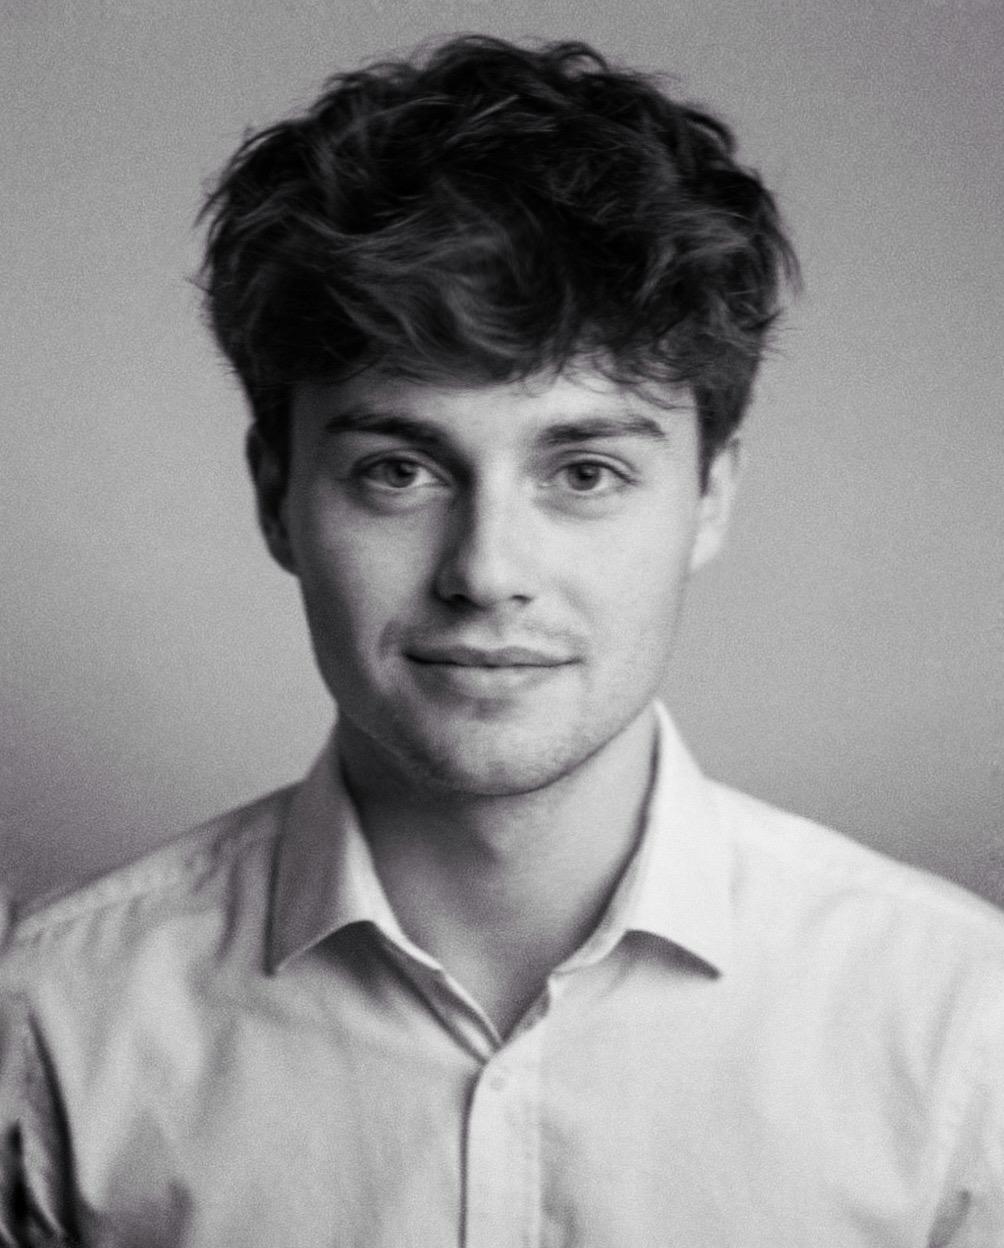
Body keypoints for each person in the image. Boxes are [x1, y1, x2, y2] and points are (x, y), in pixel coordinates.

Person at [1, 33, 1001, 1247]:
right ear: (276, 495)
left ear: (711, 496)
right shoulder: (50, 1023)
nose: (485, 573)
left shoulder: (960, 1026)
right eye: (399, 470)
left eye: (583, 471)